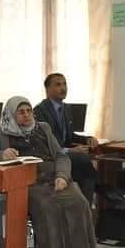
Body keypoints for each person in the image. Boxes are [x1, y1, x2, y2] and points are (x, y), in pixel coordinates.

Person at [0, 97, 108, 248]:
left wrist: (62, 176)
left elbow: (61, 156)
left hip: (56, 178)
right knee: (47, 208)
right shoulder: (2, 133)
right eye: (21, 112)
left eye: (29, 111)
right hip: (31, 184)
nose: (26, 115)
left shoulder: (43, 128)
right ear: (11, 115)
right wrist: (1, 154)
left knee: (79, 203)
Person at [32, 73, 99, 205]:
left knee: (85, 168)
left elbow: (69, 136)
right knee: (83, 160)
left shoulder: (66, 109)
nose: (63, 88)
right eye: (58, 84)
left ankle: (84, 205)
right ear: (48, 89)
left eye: (64, 84)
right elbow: (45, 142)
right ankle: (90, 200)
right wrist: (70, 150)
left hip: (64, 154)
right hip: (51, 155)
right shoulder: (40, 110)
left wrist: (88, 139)